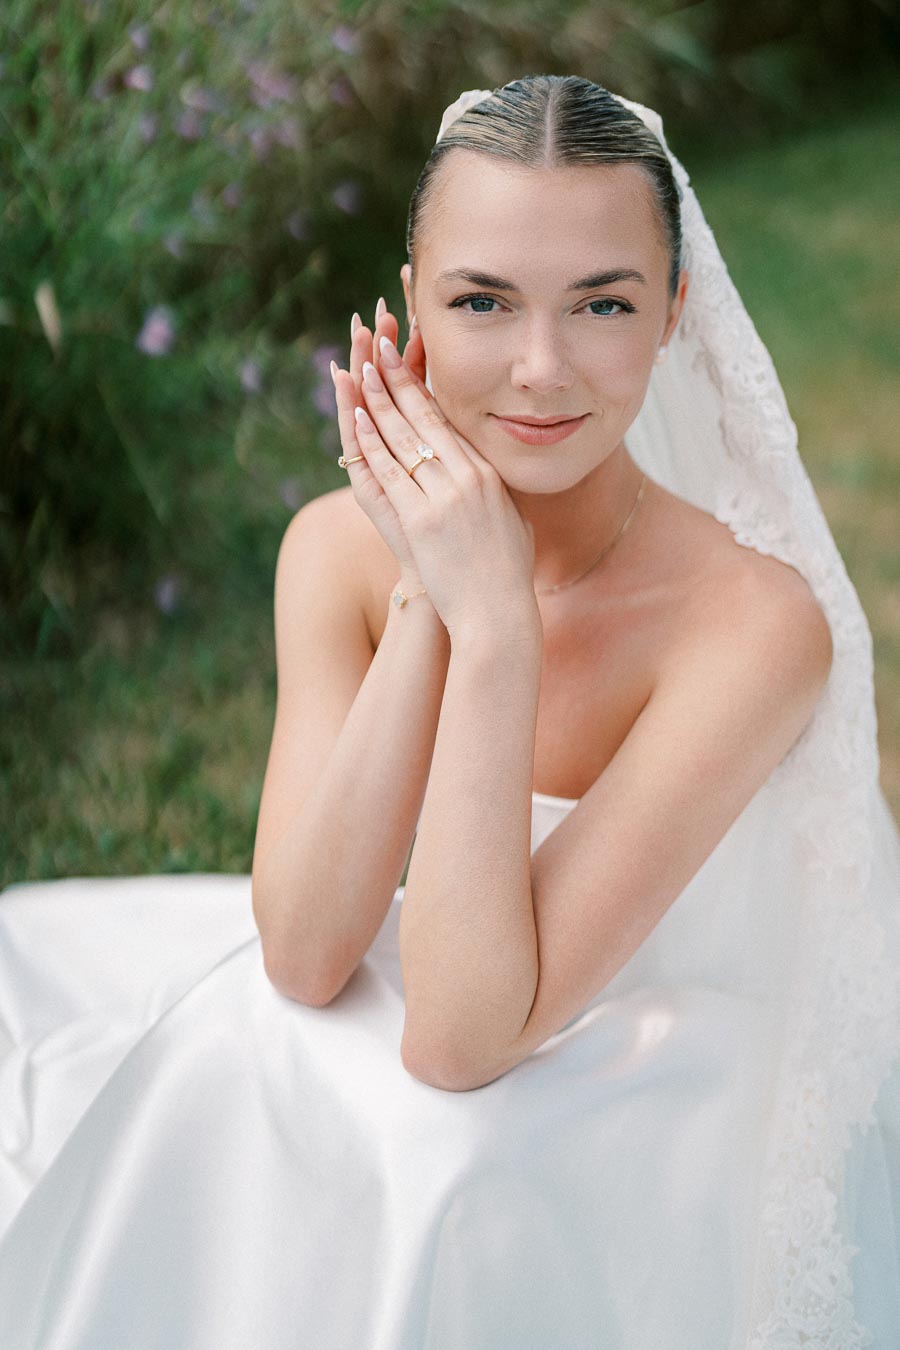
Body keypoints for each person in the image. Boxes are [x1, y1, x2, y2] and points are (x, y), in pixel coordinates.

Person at [0, 74, 898, 1350]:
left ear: (674, 317)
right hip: (443, 974)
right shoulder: (332, 550)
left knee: (444, 1153)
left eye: (604, 304)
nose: (541, 370)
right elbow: (308, 954)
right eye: (483, 301)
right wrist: (433, 589)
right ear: (412, 303)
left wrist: (503, 636)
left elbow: (466, 1041)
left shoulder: (754, 627)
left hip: (646, 1066)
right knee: (236, 1045)